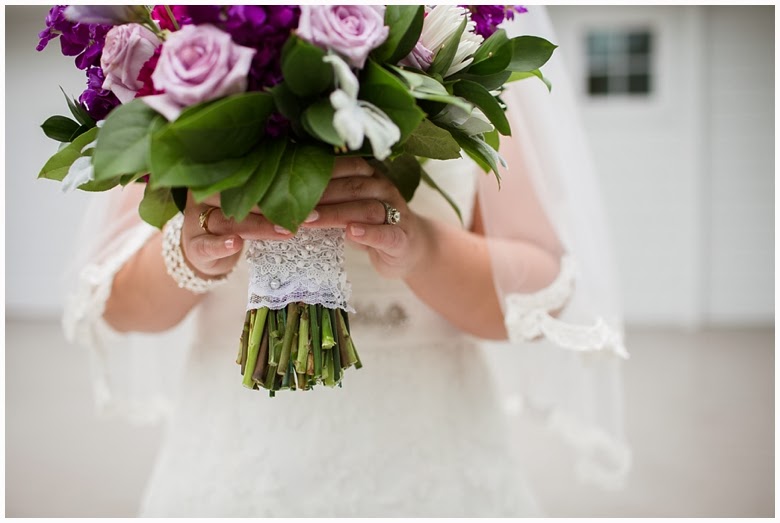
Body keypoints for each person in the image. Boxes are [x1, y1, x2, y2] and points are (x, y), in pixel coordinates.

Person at [62, 6, 631, 517]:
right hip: (237, 458)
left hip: (432, 453)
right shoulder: (185, 23)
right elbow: (117, 303)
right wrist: (192, 252)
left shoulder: (459, 22)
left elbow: (536, 291)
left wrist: (422, 246)